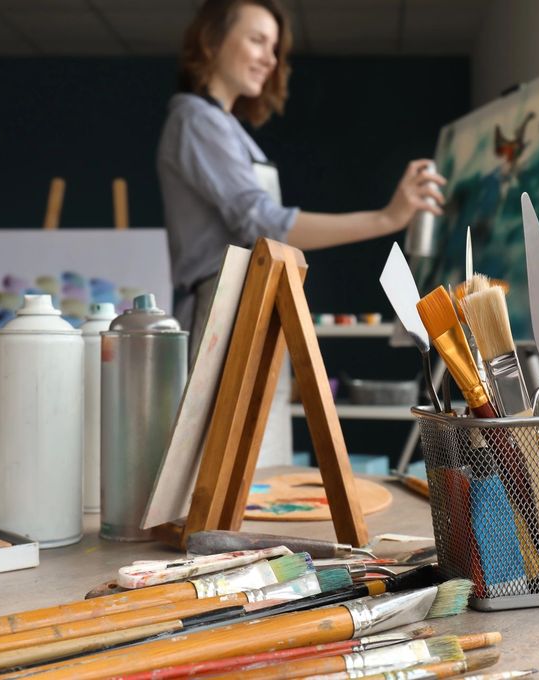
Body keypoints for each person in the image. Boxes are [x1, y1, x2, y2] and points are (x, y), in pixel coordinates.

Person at [156, 0, 444, 466]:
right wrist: (387, 219)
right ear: (210, 41)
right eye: (256, 39)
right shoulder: (195, 119)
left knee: (256, 471)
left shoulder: (225, 127)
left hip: (251, 303)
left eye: (274, 46)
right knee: (226, 470)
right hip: (224, 310)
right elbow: (262, 223)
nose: (270, 58)